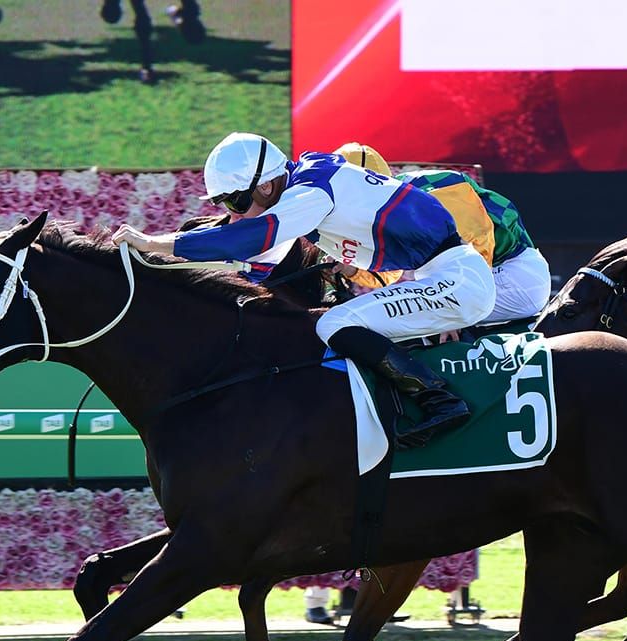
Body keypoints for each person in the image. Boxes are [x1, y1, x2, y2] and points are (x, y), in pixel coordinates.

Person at [113, 132, 496, 447]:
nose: (232, 212)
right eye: (223, 203)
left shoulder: (311, 193)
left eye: (236, 201)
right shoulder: (299, 195)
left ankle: (440, 401)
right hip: (441, 275)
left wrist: (153, 243)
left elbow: (249, 239)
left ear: (266, 186)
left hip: (456, 279)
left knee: (334, 324)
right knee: (332, 326)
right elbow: (253, 269)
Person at [333, 142, 553, 323]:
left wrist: (454, 304)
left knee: (401, 316)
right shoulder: (384, 209)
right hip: (478, 278)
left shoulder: (436, 186)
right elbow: (392, 274)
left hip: (511, 273)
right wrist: (352, 269)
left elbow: (478, 241)